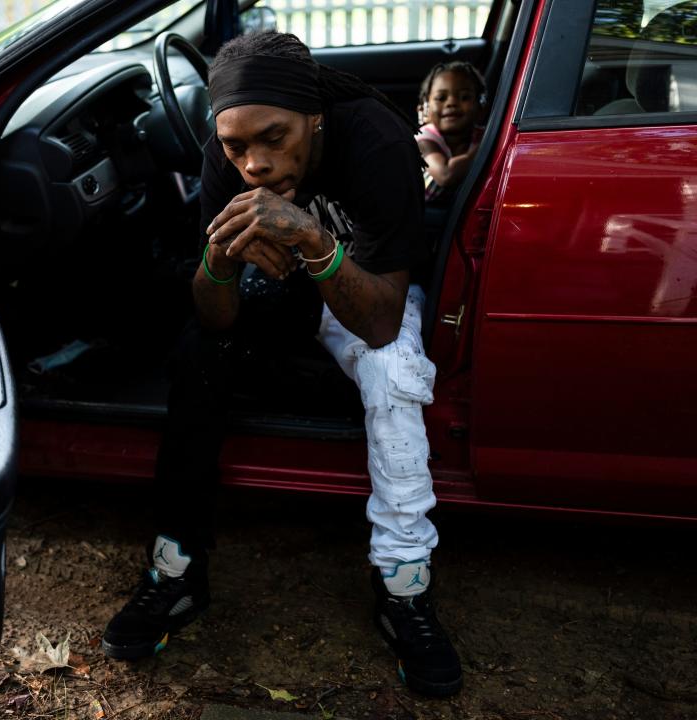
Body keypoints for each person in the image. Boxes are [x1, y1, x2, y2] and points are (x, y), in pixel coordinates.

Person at [101, 30, 462, 698]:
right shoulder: (224, 155)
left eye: (274, 138)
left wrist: (314, 241)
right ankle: (176, 570)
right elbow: (215, 313)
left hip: (366, 289)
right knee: (196, 353)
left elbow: (381, 320)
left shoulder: (376, 140)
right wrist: (219, 261)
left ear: (314, 118)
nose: (255, 165)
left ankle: (403, 585)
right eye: (237, 146)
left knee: (394, 375)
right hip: (288, 289)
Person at [416, 61, 487, 205]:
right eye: (441, 98)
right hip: (425, 215)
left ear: (480, 108)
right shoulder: (424, 139)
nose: (451, 103)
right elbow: (445, 175)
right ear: (425, 109)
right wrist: (487, 146)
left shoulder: (482, 135)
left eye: (464, 97)